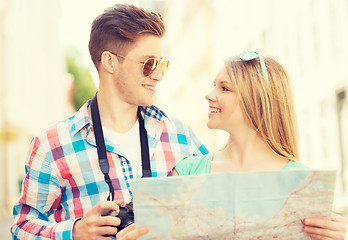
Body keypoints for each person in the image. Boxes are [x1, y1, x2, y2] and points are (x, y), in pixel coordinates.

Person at [11, 4, 208, 240]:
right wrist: (74, 232)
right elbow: (21, 227)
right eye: (148, 63)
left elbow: (222, 203)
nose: (158, 75)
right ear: (110, 62)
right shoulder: (50, 145)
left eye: (162, 64)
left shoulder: (180, 134)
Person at [173, 51, 347, 240]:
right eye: (214, 86)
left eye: (224, 88)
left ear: (255, 99)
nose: (208, 95)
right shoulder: (185, 173)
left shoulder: (303, 183)